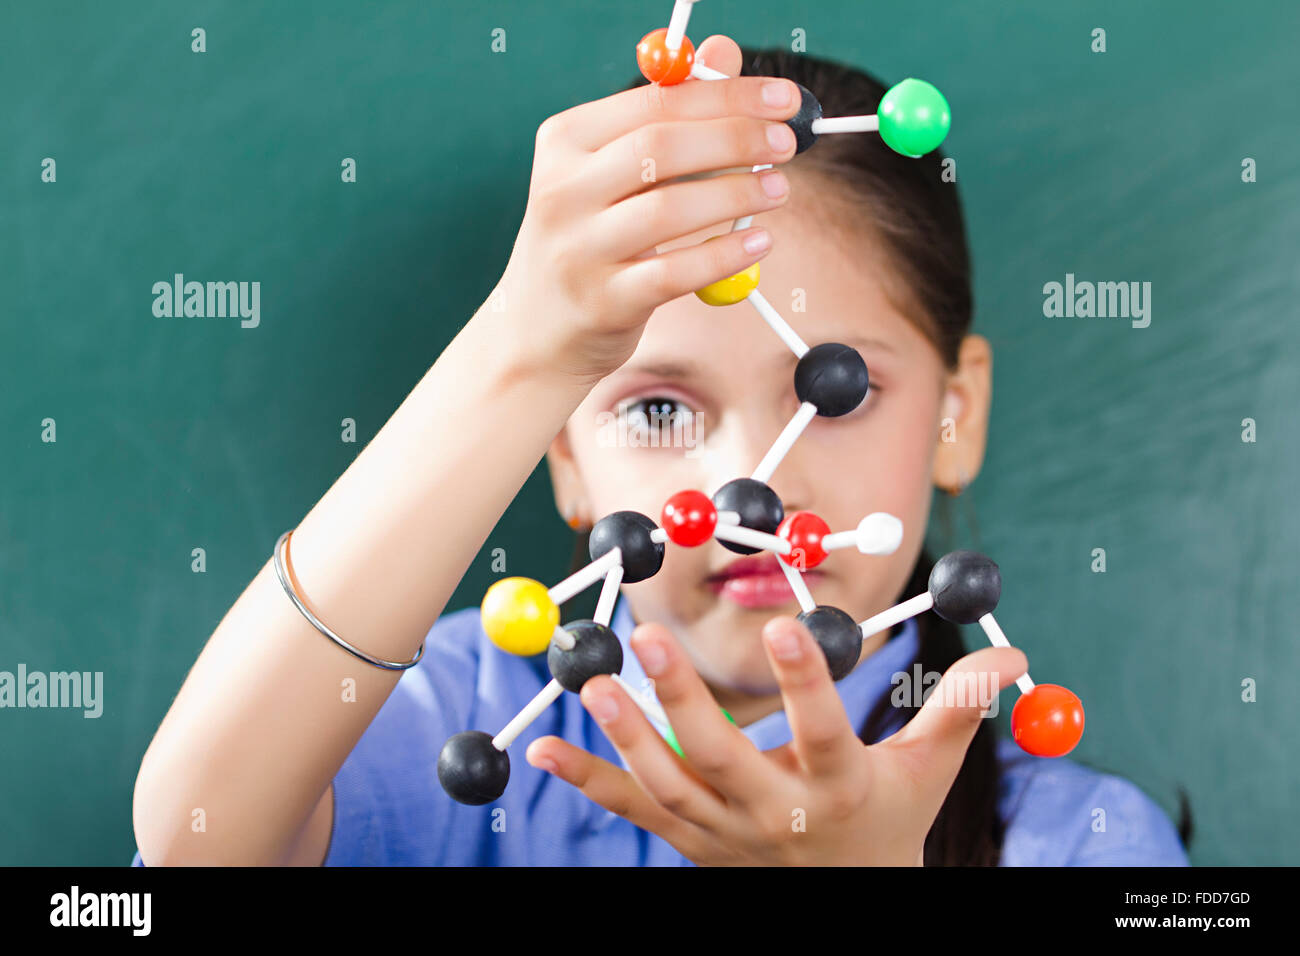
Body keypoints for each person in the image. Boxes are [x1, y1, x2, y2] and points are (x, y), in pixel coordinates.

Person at [130, 36, 1189, 866]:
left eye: (839, 389)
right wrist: (519, 345)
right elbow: (199, 840)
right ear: (562, 453)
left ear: (958, 413)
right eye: (654, 410)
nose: (754, 491)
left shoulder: (1082, 841)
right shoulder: (472, 721)